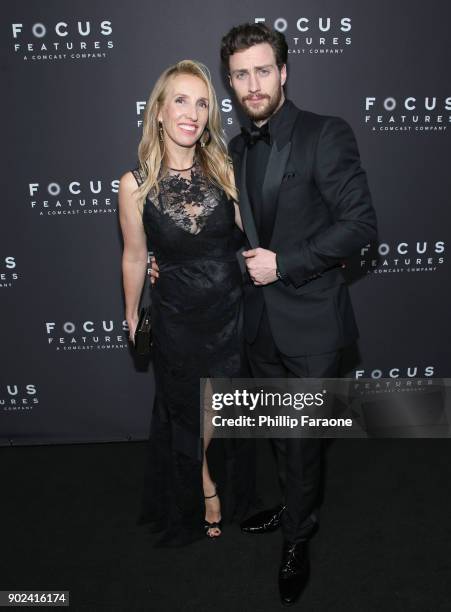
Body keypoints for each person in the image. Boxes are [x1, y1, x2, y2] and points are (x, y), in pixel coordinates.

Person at [221, 23, 378, 605]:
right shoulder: (236, 150)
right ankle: (293, 505)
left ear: (284, 72)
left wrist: (284, 263)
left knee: (305, 440)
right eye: (241, 74)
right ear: (231, 81)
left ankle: (298, 538)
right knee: (280, 434)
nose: (253, 84)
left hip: (312, 323)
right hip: (259, 324)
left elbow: (361, 226)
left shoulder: (325, 134)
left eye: (264, 70)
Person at [118, 59, 254, 546]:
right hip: (176, 315)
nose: (192, 113)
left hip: (228, 312)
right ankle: (203, 485)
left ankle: (213, 477)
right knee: (185, 410)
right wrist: (132, 313)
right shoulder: (135, 184)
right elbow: (135, 257)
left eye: (202, 103)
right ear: (158, 111)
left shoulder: (225, 168)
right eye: (180, 100)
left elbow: (257, 234)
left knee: (217, 409)